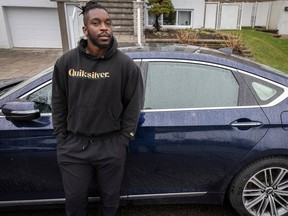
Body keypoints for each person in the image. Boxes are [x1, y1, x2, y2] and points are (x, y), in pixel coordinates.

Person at [51, 1, 143, 215]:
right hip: (74, 147)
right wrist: (62, 137)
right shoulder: (66, 63)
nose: (104, 27)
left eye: (108, 23)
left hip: (110, 146)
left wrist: (122, 140)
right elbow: (58, 102)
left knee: (110, 202)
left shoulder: (126, 66)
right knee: (75, 202)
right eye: (96, 23)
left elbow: (133, 106)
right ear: (85, 29)